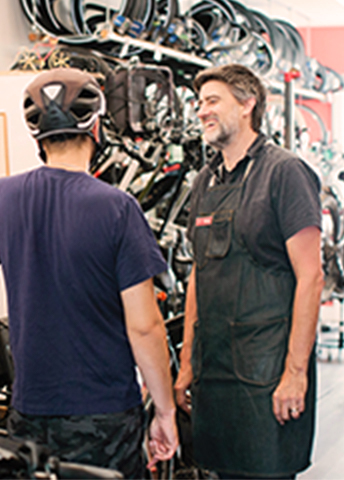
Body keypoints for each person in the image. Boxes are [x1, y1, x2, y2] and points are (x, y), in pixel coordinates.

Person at [0, 68, 178, 478]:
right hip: (103, 413)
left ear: (38, 137)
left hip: (29, 410)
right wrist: (164, 411)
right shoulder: (118, 208)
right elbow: (144, 327)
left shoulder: (1, 197)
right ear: (97, 128)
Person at [174, 64, 323, 479]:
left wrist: (295, 374)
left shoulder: (285, 173)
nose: (201, 111)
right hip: (214, 373)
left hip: (267, 377)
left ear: (247, 104)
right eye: (199, 103)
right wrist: (187, 363)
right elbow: (197, 277)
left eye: (212, 101)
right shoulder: (204, 182)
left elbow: (311, 277)